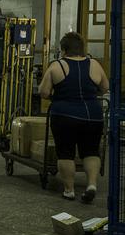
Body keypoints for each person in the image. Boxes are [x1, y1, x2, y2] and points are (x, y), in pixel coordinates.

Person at [39, 32, 109, 203]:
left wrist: (57, 96)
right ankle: (91, 185)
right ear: (82, 48)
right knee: (91, 151)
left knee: (65, 153)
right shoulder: (94, 64)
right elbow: (105, 88)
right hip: (93, 116)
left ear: (64, 50)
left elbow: (44, 92)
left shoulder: (57, 66)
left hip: (65, 116)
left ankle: (69, 190)